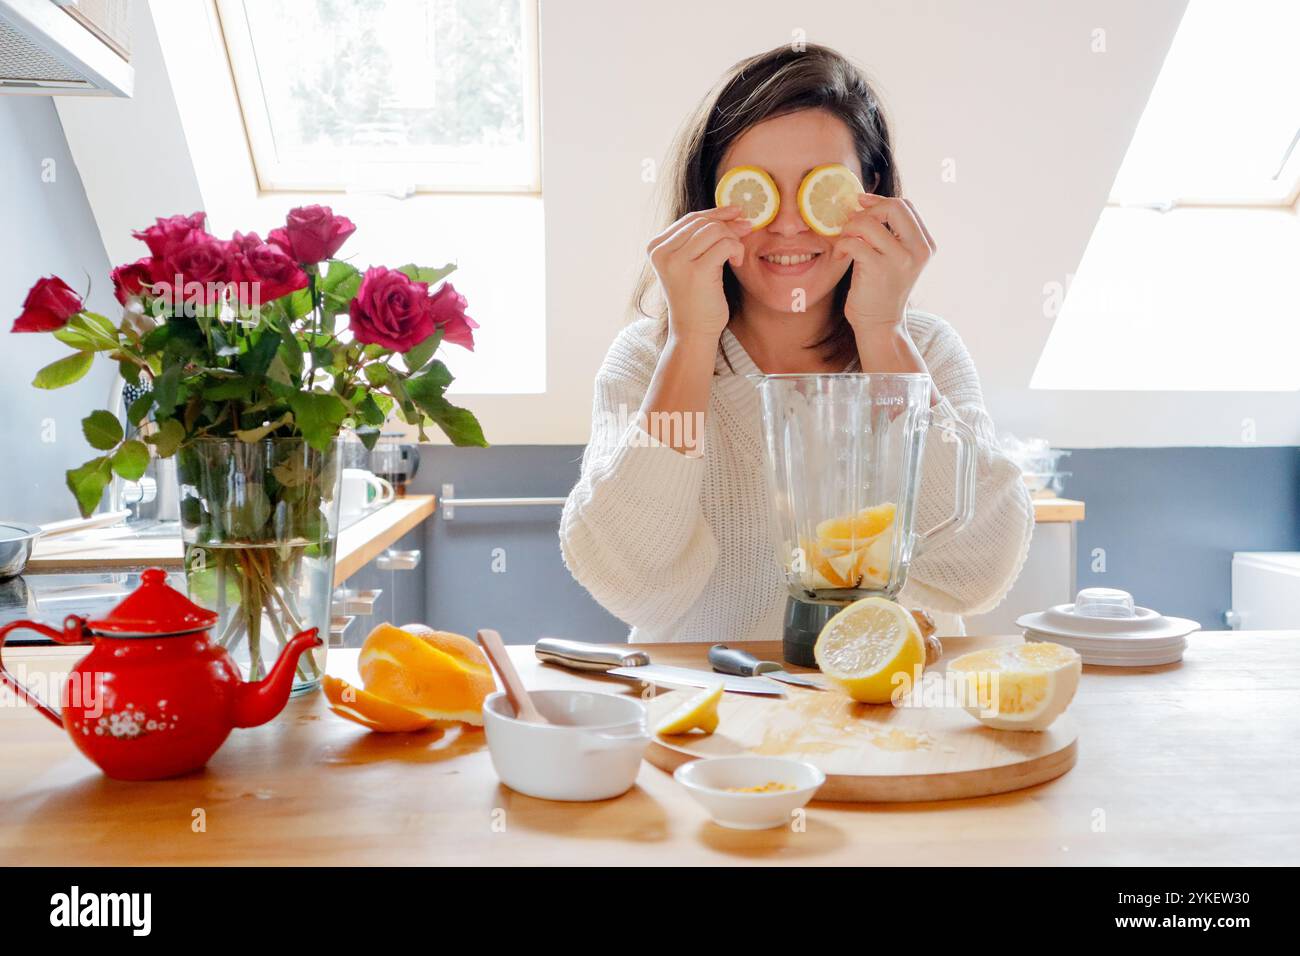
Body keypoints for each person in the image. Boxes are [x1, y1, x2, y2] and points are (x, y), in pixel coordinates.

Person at [560, 43, 1033, 643]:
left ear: (874, 189)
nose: (788, 224)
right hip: (713, 715)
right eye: (756, 191)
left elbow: (974, 570)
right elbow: (632, 579)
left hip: (888, 709)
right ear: (709, 200)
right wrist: (692, 341)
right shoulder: (650, 359)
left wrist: (883, 331)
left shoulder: (927, 350)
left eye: (822, 189)